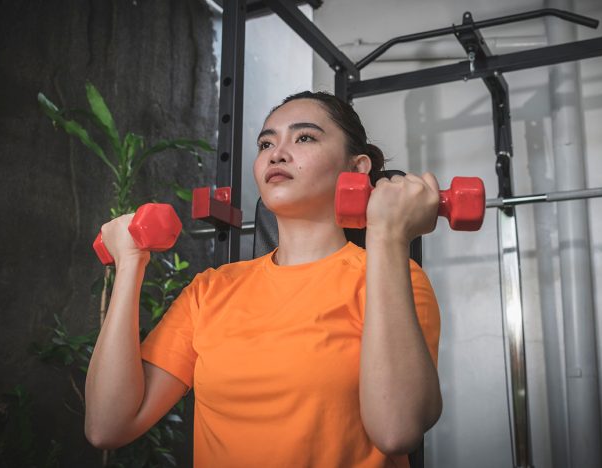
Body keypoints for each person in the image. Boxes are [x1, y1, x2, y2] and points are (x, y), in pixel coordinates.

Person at [84, 91, 442, 468]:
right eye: (266, 143)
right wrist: (130, 263)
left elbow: (397, 430)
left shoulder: (393, 281)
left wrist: (387, 236)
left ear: (357, 168)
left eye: (304, 137)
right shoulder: (210, 291)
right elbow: (108, 426)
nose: (277, 153)